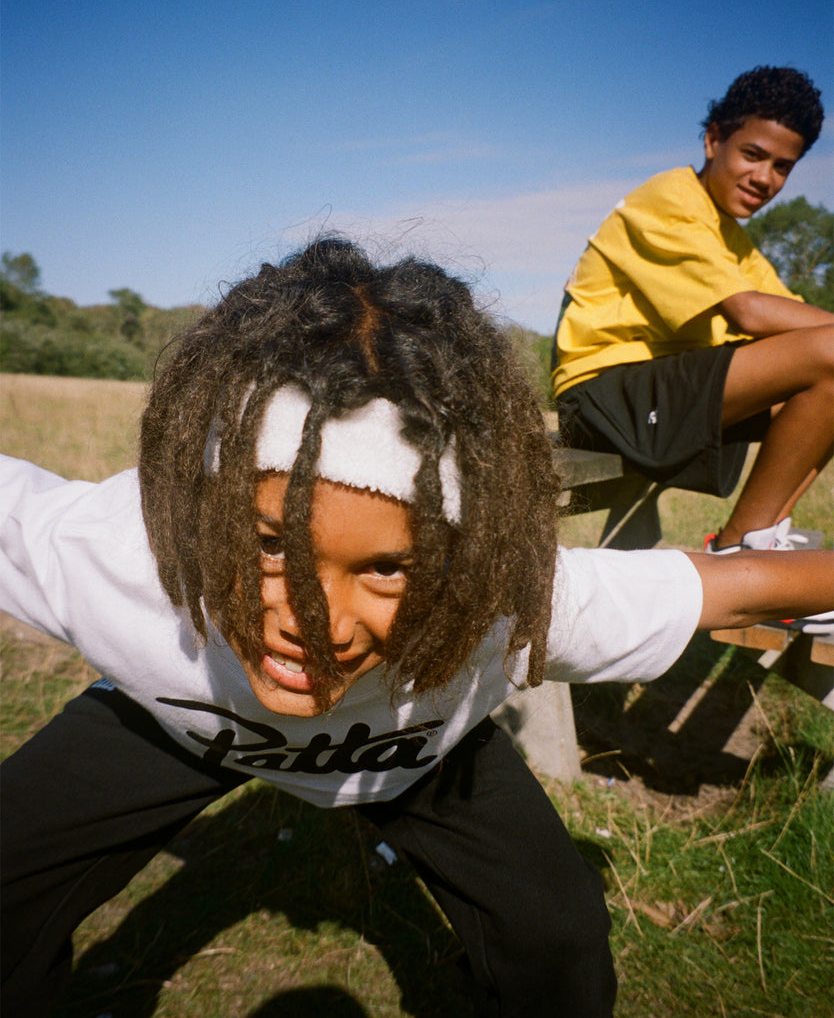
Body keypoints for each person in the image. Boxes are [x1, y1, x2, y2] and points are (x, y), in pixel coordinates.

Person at [2, 238, 833, 1018]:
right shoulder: (118, 556)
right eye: (270, 546)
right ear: (205, 513)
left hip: (410, 747)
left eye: (386, 568)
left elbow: (728, 588)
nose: (311, 624)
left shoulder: (499, 604)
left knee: (558, 940)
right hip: (178, 721)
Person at [552, 66, 833, 581]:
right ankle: (738, 559)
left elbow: (798, 320)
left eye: (782, 167)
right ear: (713, 140)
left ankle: (765, 537)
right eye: (752, 154)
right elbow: (748, 311)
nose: (765, 178)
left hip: (657, 388)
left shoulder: (731, 239)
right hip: (601, 394)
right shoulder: (672, 196)